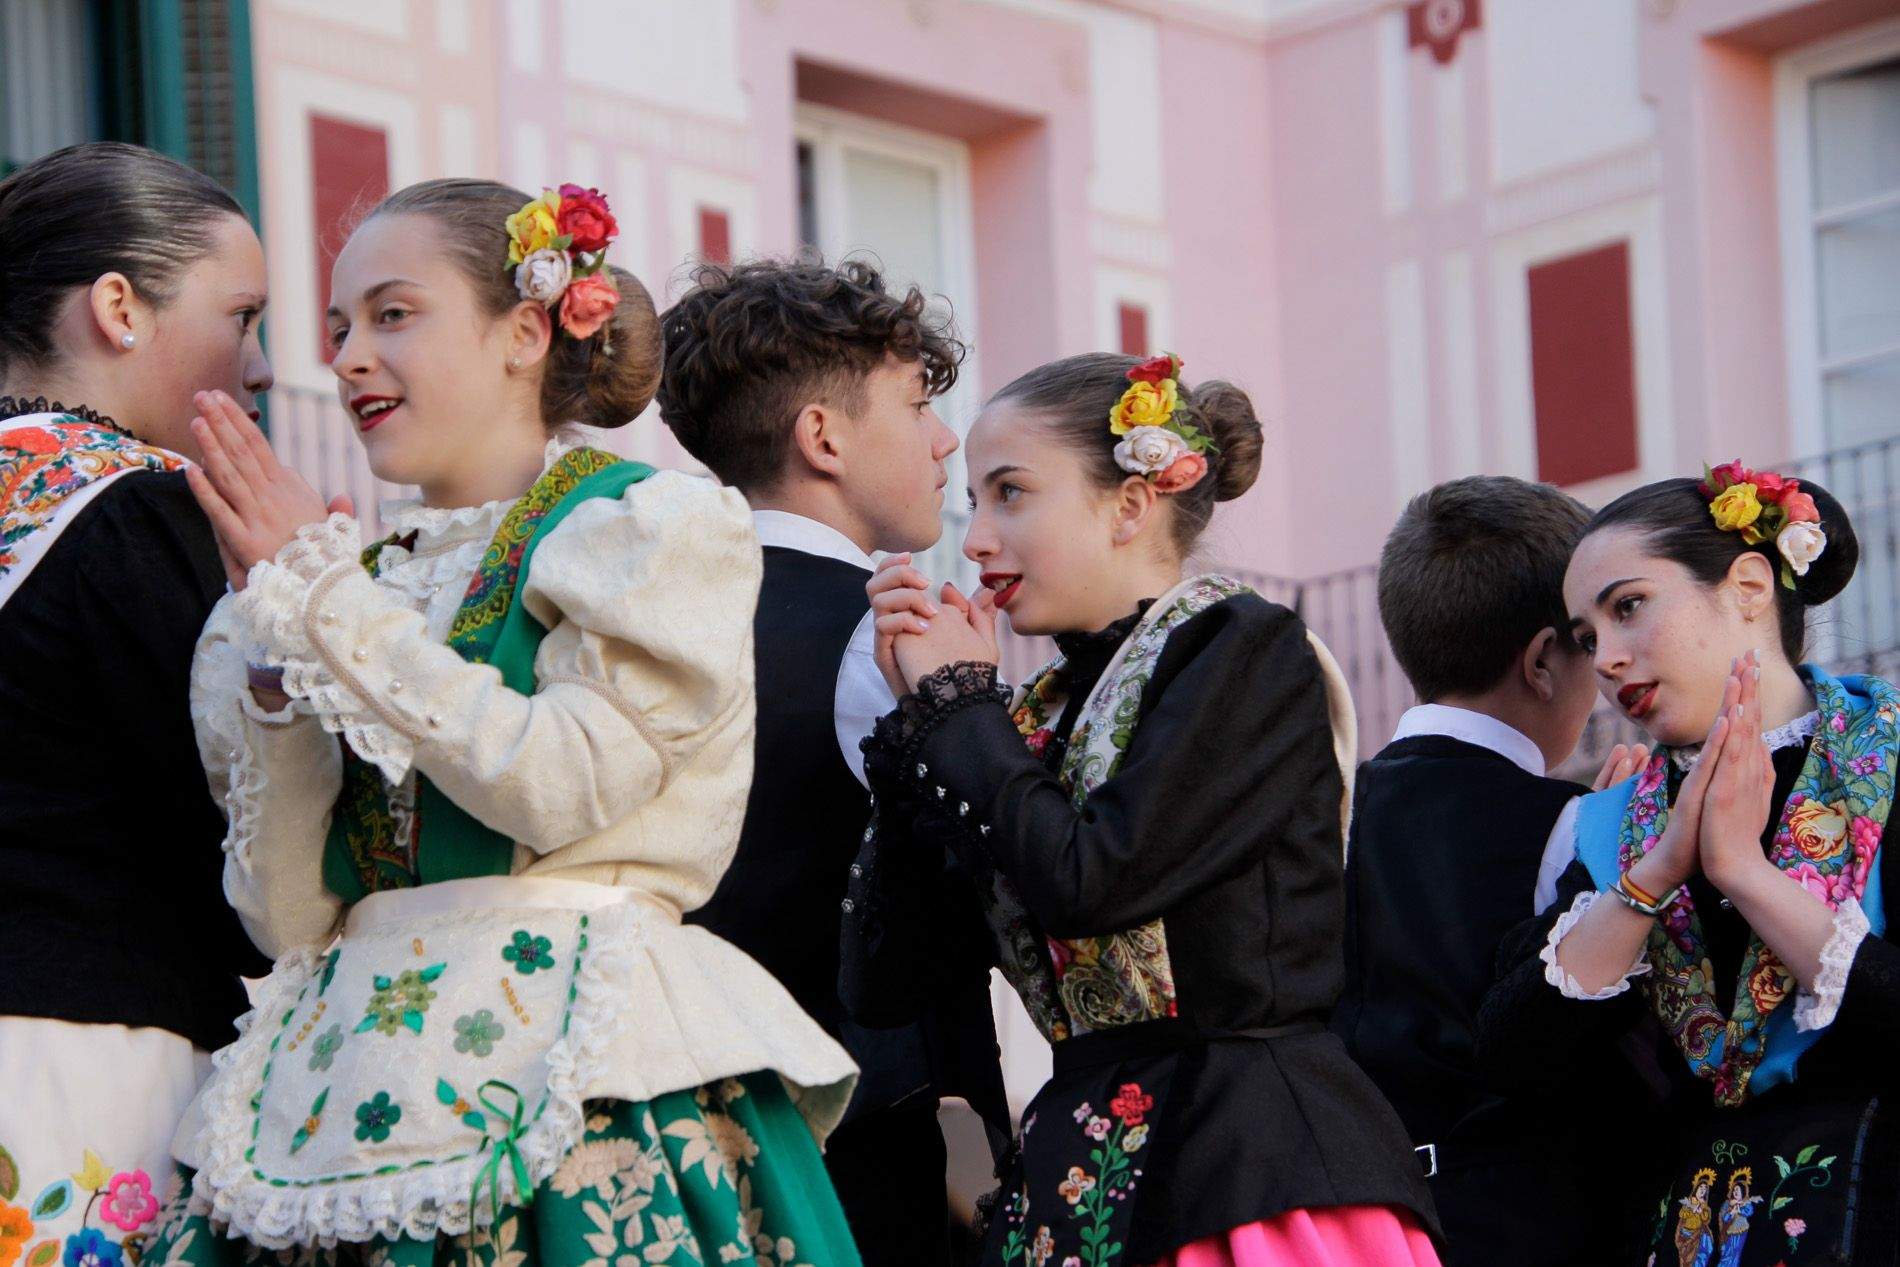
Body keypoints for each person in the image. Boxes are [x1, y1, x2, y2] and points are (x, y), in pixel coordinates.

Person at [147, 178, 860, 1266]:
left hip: (586, 1064)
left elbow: (560, 781)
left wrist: (330, 603)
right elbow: (292, 916)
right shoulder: (351, 578)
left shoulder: (643, 526)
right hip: (344, 1076)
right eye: (338, 328)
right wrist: (281, 688)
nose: (343, 359)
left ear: (526, 330)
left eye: (392, 314)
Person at [842, 352, 1440, 1265]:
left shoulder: (1242, 647)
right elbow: (883, 980)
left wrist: (960, 708)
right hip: (1076, 1176)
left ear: (1129, 505)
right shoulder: (1029, 715)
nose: (976, 540)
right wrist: (922, 723)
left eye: (1011, 494)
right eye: (975, 501)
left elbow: (1094, 878)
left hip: (1249, 1165)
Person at [659, 256, 1009, 1264]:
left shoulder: (651, 615)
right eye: (917, 404)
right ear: (824, 436)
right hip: (839, 1155)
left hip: (669, 1131)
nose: (945, 439)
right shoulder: (889, 641)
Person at [1477, 463, 1900, 1265]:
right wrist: (1654, 873)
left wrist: (1744, 869)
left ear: (1747, 586)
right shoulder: (1615, 827)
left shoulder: (1889, 766)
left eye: (1628, 606)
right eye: (1586, 639)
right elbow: (1514, 1061)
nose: (1604, 659)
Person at [0, 141, 274, 1263]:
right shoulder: (144, 510)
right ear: (119, 306)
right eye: (242, 316)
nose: (256, 367)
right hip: (84, 1051)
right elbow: (231, 811)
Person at [1332, 475, 1654, 1264]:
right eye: (1586, 643)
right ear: (1544, 659)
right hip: (1530, 1221)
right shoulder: (1571, 823)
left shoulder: (1326, 813)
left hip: (1360, 1223)